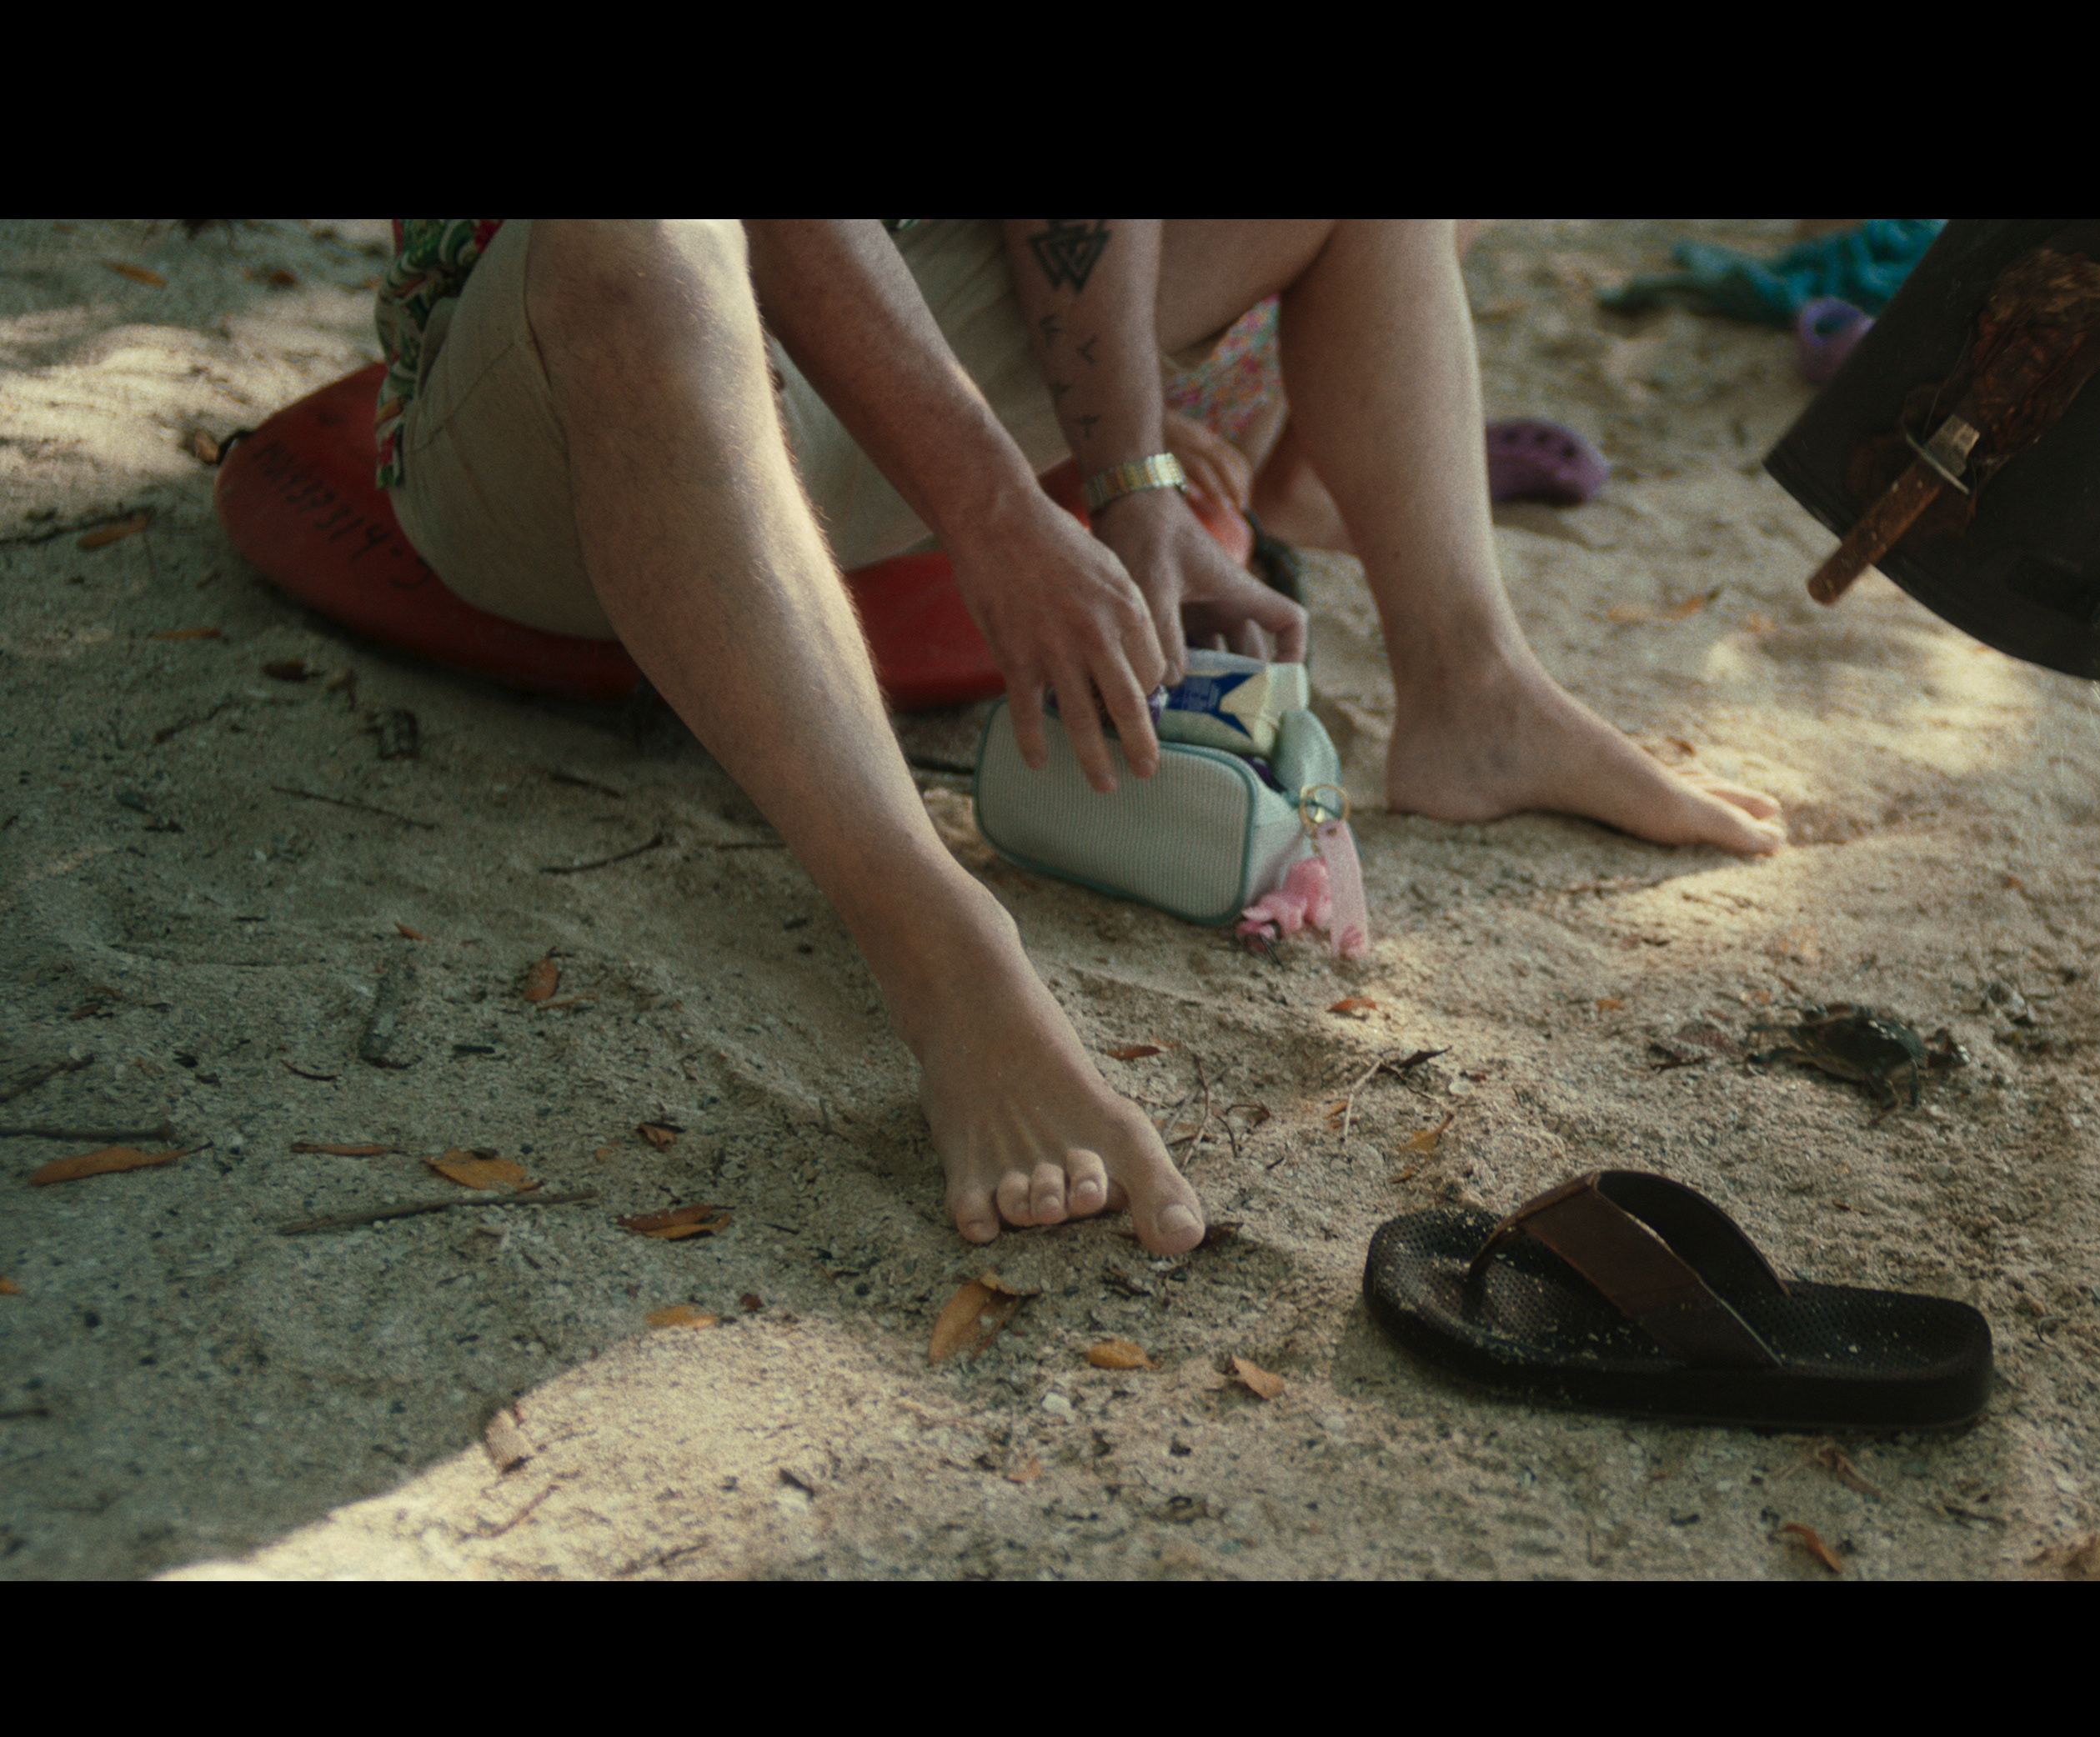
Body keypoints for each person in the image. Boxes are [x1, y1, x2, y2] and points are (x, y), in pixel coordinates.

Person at [371, 218, 1784, 1254]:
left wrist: (1134, 487)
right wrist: (995, 509)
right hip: (577, 373)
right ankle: (945, 956)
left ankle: (1472, 689)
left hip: (839, 357)